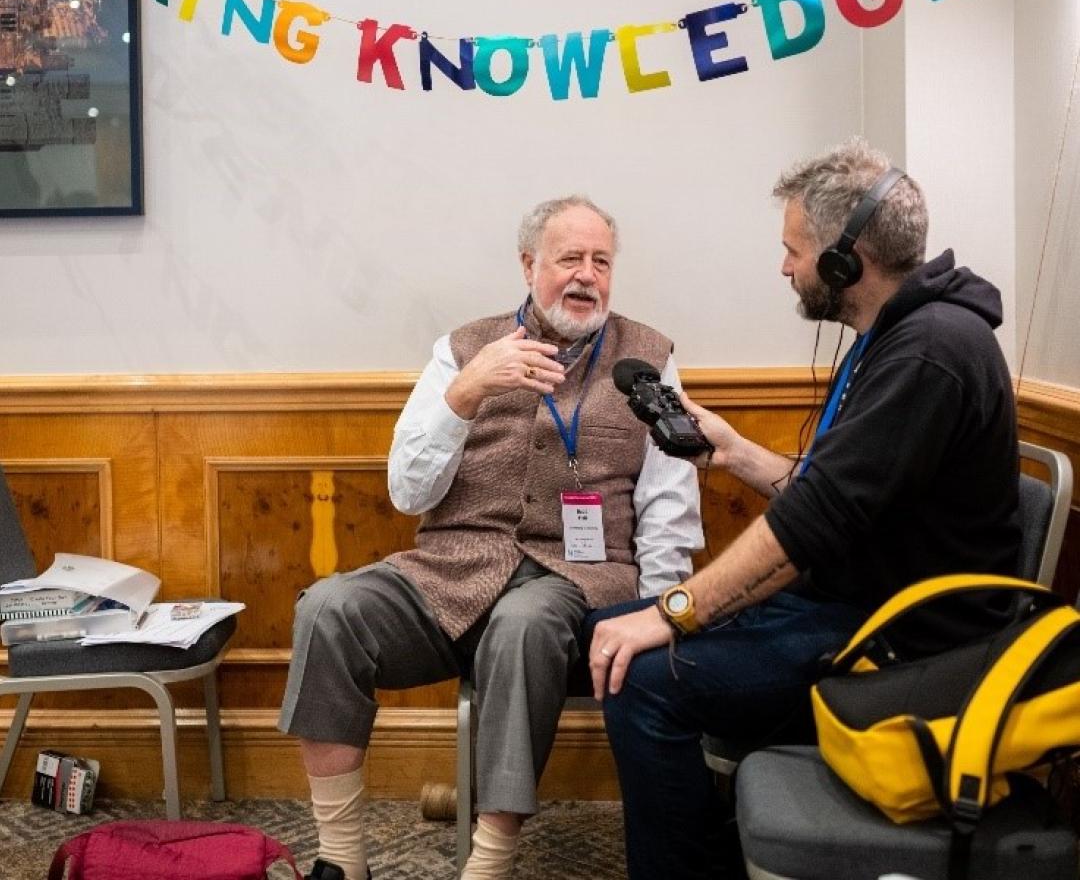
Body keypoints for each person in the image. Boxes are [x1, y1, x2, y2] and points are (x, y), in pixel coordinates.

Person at [588, 139, 1021, 880]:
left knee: (641, 676)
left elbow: (809, 527)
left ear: (847, 259)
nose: (785, 266)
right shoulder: (895, 337)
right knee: (606, 632)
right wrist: (731, 451)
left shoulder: (929, 353)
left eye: (793, 249)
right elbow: (837, 498)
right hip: (851, 601)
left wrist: (673, 610)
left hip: (900, 645)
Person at [279, 195, 703, 880]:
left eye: (601, 261)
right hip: (450, 569)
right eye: (570, 258)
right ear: (529, 264)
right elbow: (407, 492)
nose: (586, 275)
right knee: (327, 610)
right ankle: (342, 857)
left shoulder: (648, 358)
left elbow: (668, 501)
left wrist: (657, 612)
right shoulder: (462, 350)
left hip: (575, 583)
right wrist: (465, 394)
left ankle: (491, 862)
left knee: (523, 625)